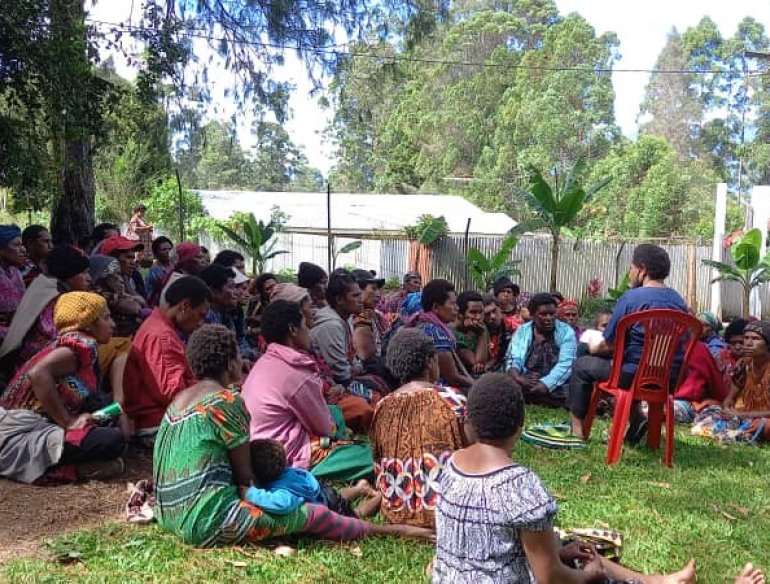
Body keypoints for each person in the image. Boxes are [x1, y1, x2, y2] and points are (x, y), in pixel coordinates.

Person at [432, 372, 762, 584]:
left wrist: (561, 554)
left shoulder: (450, 466)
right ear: (521, 425)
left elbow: (487, 547)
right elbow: (549, 577)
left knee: (571, 548)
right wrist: (587, 578)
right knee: (592, 570)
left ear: (468, 424)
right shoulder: (520, 485)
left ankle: (660, 582)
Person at [153, 324, 431, 547]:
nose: (242, 362)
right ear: (228, 362)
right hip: (205, 520)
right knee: (313, 515)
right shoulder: (225, 401)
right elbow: (245, 476)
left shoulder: (178, 401)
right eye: (238, 356)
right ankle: (393, 529)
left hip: (168, 512)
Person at [0, 292, 126, 483]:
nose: (113, 324)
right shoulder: (80, 345)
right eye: (106, 318)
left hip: (38, 426)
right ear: (88, 323)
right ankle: (68, 471)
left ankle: (80, 463)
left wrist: (117, 412)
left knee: (111, 414)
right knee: (113, 440)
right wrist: (67, 421)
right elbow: (38, 374)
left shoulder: (77, 350)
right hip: (20, 433)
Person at [568, 244, 689, 440]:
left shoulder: (632, 298)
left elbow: (609, 345)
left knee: (582, 364)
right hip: (670, 379)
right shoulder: (679, 302)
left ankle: (576, 430)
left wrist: (591, 345)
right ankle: (637, 417)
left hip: (631, 377)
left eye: (631, 268)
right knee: (630, 361)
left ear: (642, 269)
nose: (630, 274)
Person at [243, 300, 374, 481]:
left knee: (335, 412)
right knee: (371, 456)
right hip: (283, 457)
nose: (308, 331)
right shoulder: (296, 373)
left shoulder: (266, 361)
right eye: (304, 324)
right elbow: (325, 428)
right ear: (293, 330)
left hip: (259, 447)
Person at [371, 328, 468, 528]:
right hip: (449, 511)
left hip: (396, 510)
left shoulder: (381, 407)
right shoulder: (452, 399)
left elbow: (379, 465)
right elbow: (472, 450)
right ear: (429, 360)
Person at [123, 276, 211, 441]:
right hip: (158, 423)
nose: (201, 322)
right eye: (200, 315)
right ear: (184, 306)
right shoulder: (162, 336)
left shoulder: (158, 326)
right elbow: (174, 394)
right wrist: (213, 388)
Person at [245, 438, 381, 519]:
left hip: (328, 505)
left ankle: (380, 497)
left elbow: (282, 504)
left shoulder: (282, 489)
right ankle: (360, 488)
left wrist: (250, 493)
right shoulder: (287, 472)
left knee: (355, 515)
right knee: (336, 496)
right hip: (323, 491)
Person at [692, 321, 770, 444]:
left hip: (759, 417)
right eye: (746, 338)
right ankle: (736, 433)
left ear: (767, 345)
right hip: (745, 415)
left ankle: (738, 433)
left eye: (755, 339)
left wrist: (741, 414)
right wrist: (728, 408)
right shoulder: (743, 364)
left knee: (765, 425)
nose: (748, 343)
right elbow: (729, 398)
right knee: (712, 410)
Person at [505, 293, 576, 407]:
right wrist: (519, 378)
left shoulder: (566, 332)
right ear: (532, 315)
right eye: (543, 314)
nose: (549, 318)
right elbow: (514, 358)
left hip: (555, 382)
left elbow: (566, 364)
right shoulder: (522, 331)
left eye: (552, 314)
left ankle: (535, 397)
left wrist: (545, 384)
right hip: (527, 380)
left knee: (576, 390)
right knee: (507, 384)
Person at [413, 279, 474, 392]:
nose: (457, 308)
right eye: (452, 303)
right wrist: (478, 385)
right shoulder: (436, 333)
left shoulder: (422, 324)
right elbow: (453, 378)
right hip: (437, 391)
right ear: (436, 307)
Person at [200, 264, 255, 363]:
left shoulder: (223, 313)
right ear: (214, 292)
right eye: (231, 287)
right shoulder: (205, 320)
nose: (236, 293)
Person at [91, 254, 149, 338]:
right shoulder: (100, 296)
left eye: (120, 275)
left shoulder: (117, 292)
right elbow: (135, 308)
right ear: (103, 277)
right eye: (116, 274)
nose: (120, 279)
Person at [156, 242, 208, 307]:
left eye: (203, 257)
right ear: (185, 261)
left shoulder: (177, 276)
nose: (203, 261)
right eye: (199, 257)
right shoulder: (183, 282)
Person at [450, 291, 489, 375]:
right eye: (473, 312)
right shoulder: (450, 332)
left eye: (481, 312)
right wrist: (481, 333)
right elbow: (478, 363)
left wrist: (481, 333)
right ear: (460, 314)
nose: (478, 317)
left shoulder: (482, 327)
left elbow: (481, 365)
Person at [0, 225, 27, 345]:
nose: (23, 249)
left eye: (22, 245)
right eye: (16, 245)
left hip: (16, 328)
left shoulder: (15, 273)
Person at [101, 235, 148, 303]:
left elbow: (145, 304)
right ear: (113, 258)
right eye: (128, 257)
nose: (133, 262)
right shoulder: (104, 283)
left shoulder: (135, 276)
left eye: (133, 258)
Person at [714, 319, 747, 395]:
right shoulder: (721, 356)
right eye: (733, 343)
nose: (737, 347)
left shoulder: (755, 360)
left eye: (741, 343)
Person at [144, 236, 174, 303]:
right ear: (156, 253)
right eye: (164, 249)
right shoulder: (153, 273)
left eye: (170, 249)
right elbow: (148, 295)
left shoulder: (176, 266)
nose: (168, 251)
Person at [482, 295, 506, 371]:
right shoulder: (479, 329)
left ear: (500, 310)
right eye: (487, 314)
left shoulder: (512, 327)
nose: (492, 316)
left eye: (494, 311)